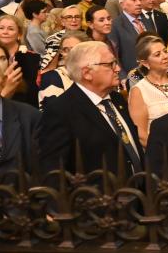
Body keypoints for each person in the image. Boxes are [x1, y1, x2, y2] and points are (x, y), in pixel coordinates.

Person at [38, 40, 143, 174]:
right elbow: (53, 168)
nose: (118, 69)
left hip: (138, 190)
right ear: (87, 73)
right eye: (110, 64)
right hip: (97, 192)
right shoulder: (61, 110)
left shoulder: (116, 99)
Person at [126, 37, 168, 145]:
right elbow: (141, 135)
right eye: (157, 54)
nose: (165, 56)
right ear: (145, 63)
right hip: (161, 152)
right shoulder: (139, 91)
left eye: (165, 51)